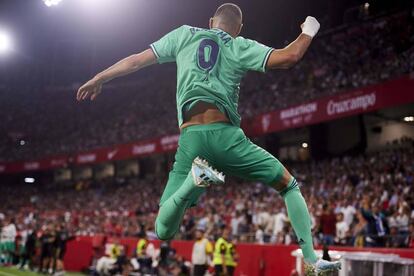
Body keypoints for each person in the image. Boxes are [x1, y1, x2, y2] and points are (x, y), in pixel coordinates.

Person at [76, 3, 340, 273]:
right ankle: (310, 260)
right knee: (289, 186)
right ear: (238, 29)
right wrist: (309, 29)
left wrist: (100, 77)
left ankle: (193, 181)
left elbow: (135, 60)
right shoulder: (239, 45)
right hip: (228, 139)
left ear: (211, 21)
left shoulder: (183, 35)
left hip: (191, 138)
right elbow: (291, 56)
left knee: (163, 229)